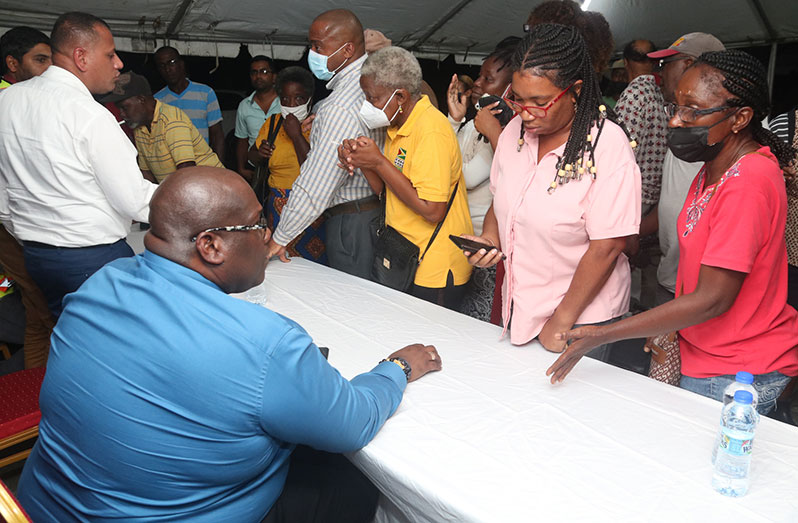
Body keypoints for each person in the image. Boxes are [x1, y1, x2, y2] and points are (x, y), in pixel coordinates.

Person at [16, 166, 442, 521]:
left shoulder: (99, 284)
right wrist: (396, 368)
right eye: (257, 224)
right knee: (352, 480)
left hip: (44, 506)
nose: (267, 234)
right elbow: (353, 422)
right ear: (211, 245)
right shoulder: (265, 343)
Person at [547, 50, 798, 416]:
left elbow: (713, 299)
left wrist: (603, 334)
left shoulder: (748, 181)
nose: (676, 120)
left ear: (740, 118)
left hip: (734, 370)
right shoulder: (713, 168)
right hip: (708, 353)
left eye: (693, 110)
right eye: (676, 107)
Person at [464, 24, 640, 359]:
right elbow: (502, 202)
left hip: (580, 319)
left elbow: (608, 246)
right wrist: (489, 239)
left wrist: (562, 320)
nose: (525, 112)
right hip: (522, 306)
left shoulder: (607, 145)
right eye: (518, 98)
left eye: (540, 102)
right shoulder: (514, 132)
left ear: (575, 91)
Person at [0, 12, 156, 318]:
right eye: (110, 54)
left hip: (37, 256)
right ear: (81, 57)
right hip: (93, 258)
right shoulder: (89, 115)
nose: (118, 63)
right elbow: (134, 200)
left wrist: (32, 236)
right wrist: (195, 207)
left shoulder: (7, 102)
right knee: (117, 337)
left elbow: (3, 196)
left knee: (70, 332)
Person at [339, 46, 473, 309]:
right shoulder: (399, 126)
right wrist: (363, 161)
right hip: (404, 255)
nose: (367, 106)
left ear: (400, 96)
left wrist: (378, 161)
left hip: (433, 266)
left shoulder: (431, 131)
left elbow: (432, 210)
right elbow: (386, 192)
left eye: (372, 97)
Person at [267, 9, 385, 279]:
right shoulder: (368, 85)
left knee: (350, 297)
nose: (312, 53)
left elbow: (316, 184)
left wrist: (280, 237)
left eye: (318, 46)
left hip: (351, 222)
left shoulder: (339, 107)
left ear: (347, 50)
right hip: (368, 214)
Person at [642, 33, 725, 306]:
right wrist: (630, 234)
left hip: (699, 294)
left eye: (666, 65)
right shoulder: (683, 129)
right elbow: (676, 201)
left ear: (689, 65)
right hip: (670, 279)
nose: (660, 73)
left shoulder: (715, 137)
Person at [446, 36, 519, 321]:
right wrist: (454, 120)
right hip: (465, 238)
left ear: (511, 87)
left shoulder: (508, 130)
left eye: (488, 79)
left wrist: (493, 132)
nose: (477, 83)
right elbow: (444, 161)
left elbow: (460, 178)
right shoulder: (472, 123)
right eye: (479, 75)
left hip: (485, 244)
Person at [0, 26, 54, 368]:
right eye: (40, 60)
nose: (49, 69)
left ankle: (36, 384)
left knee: (36, 312)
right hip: (12, 223)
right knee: (47, 308)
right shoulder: (10, 102)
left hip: (19, 219)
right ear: (13, 63)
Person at [249, 66, 327, 264]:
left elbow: (314, 169)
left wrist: (296, 135)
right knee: (281, 263)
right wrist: (260, 154)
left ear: (310, 99)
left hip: (310, 205)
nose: (291, 105)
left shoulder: (319, 124)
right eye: (285, 99)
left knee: (313, 264)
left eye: (299, 99)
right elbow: (251, 156)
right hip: (277, 206)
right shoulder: (273, 123)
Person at [106, 71, 223, 183]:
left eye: (124, 108)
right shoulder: (140, 127)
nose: (121, 114)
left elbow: (186, 171)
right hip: (187, 187)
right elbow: (147, 174)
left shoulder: (172, 121)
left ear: (141, 99)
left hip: (212, 187)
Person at [616, 39, 667, 217]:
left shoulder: (632, 95)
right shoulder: (660, 93)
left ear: (625, 62)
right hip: (656, 192)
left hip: (633, 193)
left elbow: (620, 148)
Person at [153, 46, 225, 162]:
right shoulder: (157, 100)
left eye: (171, 62)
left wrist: (218, 167)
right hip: (171, 165)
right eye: (162, 66)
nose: (167, 69)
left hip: (202, 162)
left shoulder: (206, 93)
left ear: (181, 64)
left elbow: (217, 135)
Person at [235, 55, 281, 179]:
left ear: (274, 77)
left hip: (282, 168)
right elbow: (242, 140)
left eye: (264, 72)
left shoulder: (285, 102)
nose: (258, 76)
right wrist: (241, 168)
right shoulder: (244, 105)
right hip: (255, 168)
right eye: (254, 72)